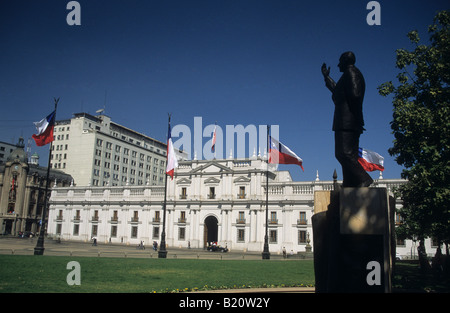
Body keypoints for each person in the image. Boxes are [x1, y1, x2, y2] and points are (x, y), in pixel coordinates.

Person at [321, 51, 373, 187]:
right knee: (349, 154)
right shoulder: (347, 75)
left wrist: (357, 118)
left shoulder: (352, 73)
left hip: (347, 121)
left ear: (345, 61)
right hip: (347, 121)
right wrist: (327, 78)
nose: (338, 65)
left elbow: (355, 95)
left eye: (340, 61)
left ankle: (364, 178)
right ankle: (350, 182)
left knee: (343, 153)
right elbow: (337, 90)